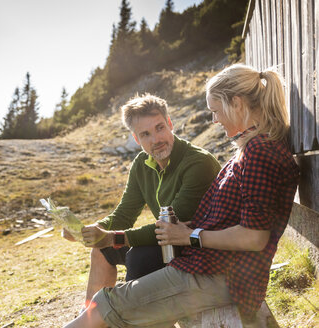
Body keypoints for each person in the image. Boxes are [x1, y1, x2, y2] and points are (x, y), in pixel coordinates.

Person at [64, 64, 300, 328]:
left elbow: (255, 237)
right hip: (206, 267)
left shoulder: (258, 152)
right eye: (145, 134)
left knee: (107, 302)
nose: (214, 120)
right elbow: (128, 213)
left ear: (236, 103)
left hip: (222, 276)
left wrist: (190, 235)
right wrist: (97, 232)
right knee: (109, 299)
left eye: (215, 111)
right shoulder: (250, 149)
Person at [63, 93, 221, 311]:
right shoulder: (141, 164)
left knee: (138, 257)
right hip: (166, 243)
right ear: (136, 139)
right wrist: (90, 231)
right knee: (101, 250)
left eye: (159, 128)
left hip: (197, 245)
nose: (156, 139)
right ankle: (90, 319)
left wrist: (114, 237)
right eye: (145, 134)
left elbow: (173, 224)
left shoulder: (198, 162)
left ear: (170, 124)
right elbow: (124, 214)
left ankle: (138, 317)